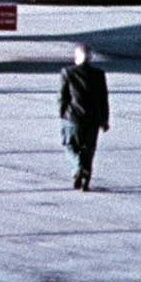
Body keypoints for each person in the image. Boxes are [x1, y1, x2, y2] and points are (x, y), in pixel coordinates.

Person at [59, 43, 109, 189]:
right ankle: (86, 178)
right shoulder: (99, 74)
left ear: (76, 58)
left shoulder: (67, 73)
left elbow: (62, 97)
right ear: (90, 58)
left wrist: (62, 113)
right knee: (88, 149)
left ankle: (78, 167)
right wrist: (104, 120)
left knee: (69, 144)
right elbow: (103, 99)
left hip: (73, 117)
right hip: (93, 118)